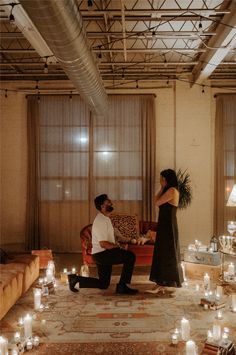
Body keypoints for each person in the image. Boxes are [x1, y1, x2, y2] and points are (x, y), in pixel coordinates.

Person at [68, 194, 138, 295]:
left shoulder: (106, 218)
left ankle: (75, 279)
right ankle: (122, 287)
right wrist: (120, 247)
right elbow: (104, 244)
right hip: (102, 254)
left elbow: (111, 239)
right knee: (130, 256)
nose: (111, 203)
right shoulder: (100, 221)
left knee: (103, 284)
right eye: (108, 202)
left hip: (102, 254)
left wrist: (125, 241)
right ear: (102, 206)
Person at [147, 169, 183, 294]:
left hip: (169, 226)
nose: (160, 181)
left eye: (162, 178)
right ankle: (161, 281)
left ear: (167, 179)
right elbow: (155, 200)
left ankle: (165, 282)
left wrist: (162, 187)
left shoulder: (172, 191)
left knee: (167, 254)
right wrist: (161, 187)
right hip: (164, 225)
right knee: (162, 252)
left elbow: (157, 202)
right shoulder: (167, 190)